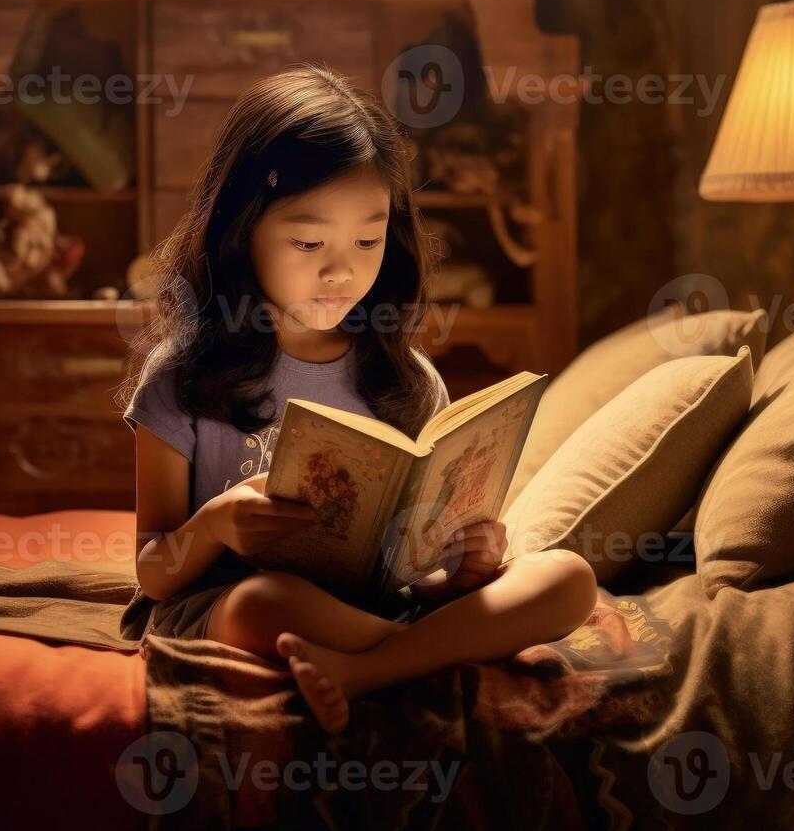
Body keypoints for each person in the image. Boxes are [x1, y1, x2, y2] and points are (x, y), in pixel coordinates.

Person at [121, 64, 598, 732]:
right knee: (266, 601)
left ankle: (368, 666)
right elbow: (153, 573)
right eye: (309, 241)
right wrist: (214, 525)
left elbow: (416, 571)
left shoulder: (405, 380)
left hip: (381, 606)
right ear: (240, 229)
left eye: (367, 240)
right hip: (232, 602)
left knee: (567, 577)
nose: (341, 269)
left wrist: (460, 573)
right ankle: (422, 654)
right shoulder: (182, 378)